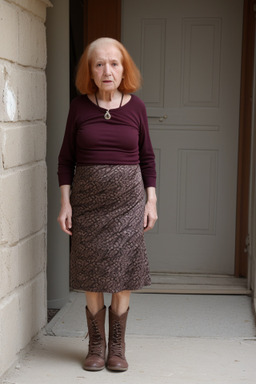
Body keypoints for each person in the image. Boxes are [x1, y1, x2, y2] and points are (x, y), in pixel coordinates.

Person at [57, 37, 157, 372]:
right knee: (91, 272)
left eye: (114, 63)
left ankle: (117, 346)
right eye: (99, 64)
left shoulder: (137, 107)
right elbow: (65, 159)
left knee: (124, 273)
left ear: (124, 68)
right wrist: (65, 203)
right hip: (87, 204)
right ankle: (95, 346)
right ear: (90, 71)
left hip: (128, 204)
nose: (107, 70)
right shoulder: (79, 107)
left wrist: (151, 200)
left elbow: (147, 158)